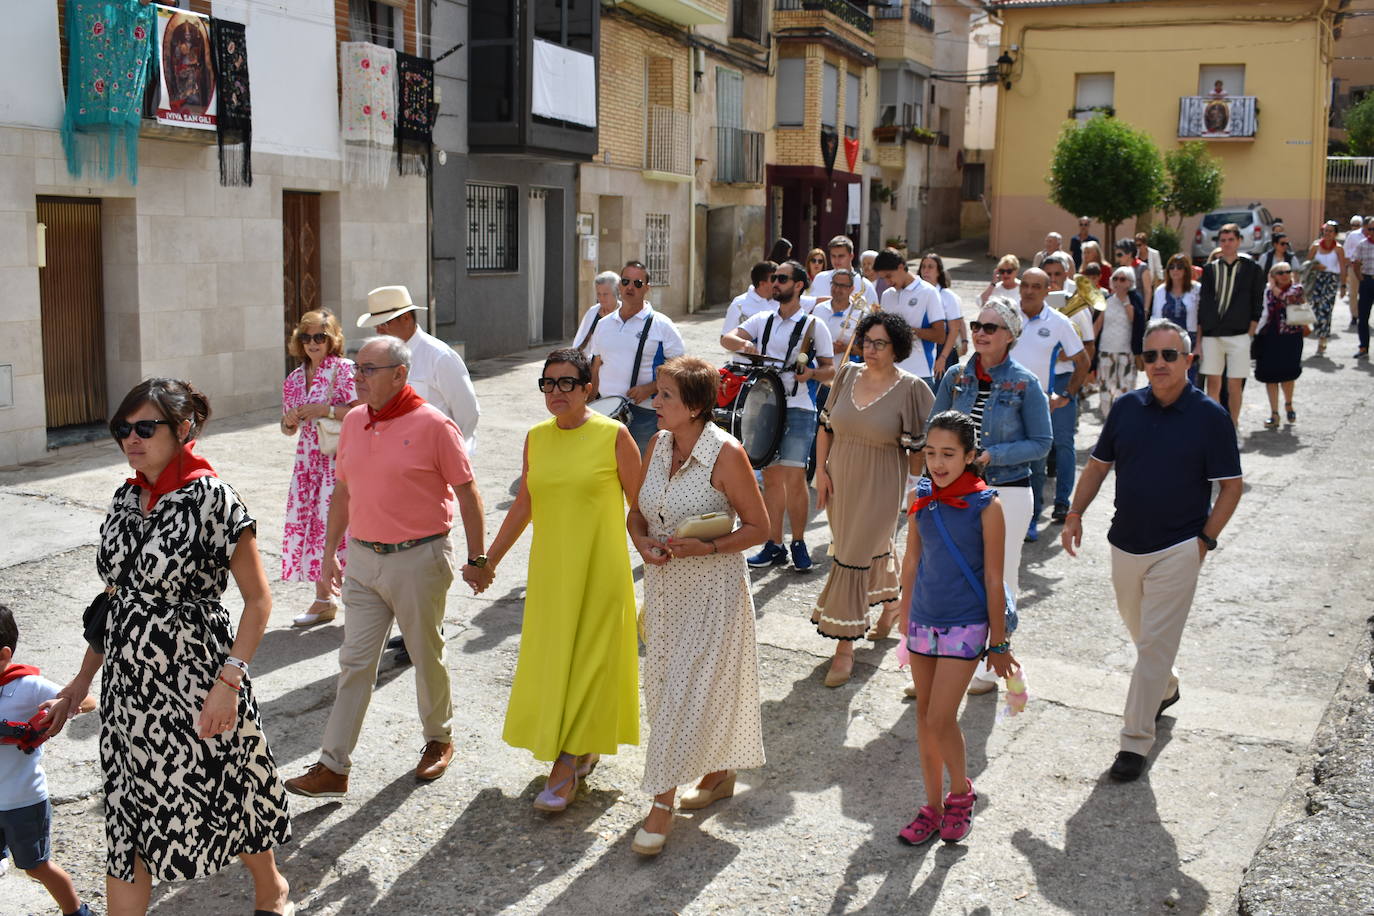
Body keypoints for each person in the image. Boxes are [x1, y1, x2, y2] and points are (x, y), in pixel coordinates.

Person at [48, 378, 292, 915]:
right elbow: (113, 603)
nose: (131, 439)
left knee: (228, 789)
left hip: (199, 679)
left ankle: (271, 887)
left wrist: (228, 685)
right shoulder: (123, 499)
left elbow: (258, 601)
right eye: (122, 429)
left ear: (183, 430)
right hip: (129, 694)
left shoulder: (214, 499)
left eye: (144, 428)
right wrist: (81, 681)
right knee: (129, 814)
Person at [284, 337, 488, 798]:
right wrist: (328, 553)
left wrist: (478, 558)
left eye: (368, 370)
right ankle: (333, 767)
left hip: (419, 558)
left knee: (424, 652)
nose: (357, 377)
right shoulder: (354, 420)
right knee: (354, 663)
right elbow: (343, 492)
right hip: (362, 560)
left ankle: (439, 738)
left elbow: (468, 494)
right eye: (357, 368)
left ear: (399, 375)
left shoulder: (435, 425)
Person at [1061, 319, 1243, 781]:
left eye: (1169, 355)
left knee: (1153, 645)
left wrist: (1204, 541)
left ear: (1188, 359)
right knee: (1145, 638)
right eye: (1151, 355)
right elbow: (1098, 467)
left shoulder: (1211, 417)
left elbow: (1231, 488)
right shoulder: (1126, 408)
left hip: (1179, 547)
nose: (1159, 364)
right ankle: (1166, 686)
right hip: (1124, 544)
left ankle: (1134, 742)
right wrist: (1075, 513)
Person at [483, 348, 641, 813]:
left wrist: (659, 556)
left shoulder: (614, 435)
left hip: (601, 570)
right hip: (551, 574)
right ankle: (581, 746)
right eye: (548, 383)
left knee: (592, 661)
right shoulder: (535, 438)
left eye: (567, 382)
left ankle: (567, 763)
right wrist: (488, 560)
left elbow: (641, 505)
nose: (556, 392)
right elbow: (524, 505)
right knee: (559, 662)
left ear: (587, 387)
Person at [627, 357, 769, 856]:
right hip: (664, 591)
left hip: (713, 591)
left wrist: (707, 547)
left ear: (694, 405)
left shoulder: (726, 453)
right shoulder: (657, 443)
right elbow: (636, 515)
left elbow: (759, 528)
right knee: (667, 689)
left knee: (683, 694)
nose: (654, 402)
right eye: (657, 393)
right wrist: (643, 543)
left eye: (665, 395)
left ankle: (660, 803)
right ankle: (718, 773)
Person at [895, 411, 1016, 845]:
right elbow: (911, 559)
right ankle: (932, 806)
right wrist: (904, 616)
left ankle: (961, 794)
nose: (938, 463)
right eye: (931, 454)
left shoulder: (988, 505)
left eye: (949, 454)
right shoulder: (922, 496)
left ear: (970, 455)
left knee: (940, 716)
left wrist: (999, 642)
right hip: (923, 623)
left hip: (966, 625)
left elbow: (993, 579)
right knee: (924, 720)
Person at [930, 302, 1051, 696]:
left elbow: (1042, 443)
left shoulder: (1025, 383)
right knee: (955, 572)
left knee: (1001, 576)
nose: (981, 333)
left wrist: (990, 456)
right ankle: (953, 654)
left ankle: (996, 656)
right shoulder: (956, 376)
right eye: (977, 325)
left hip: (1008, 490)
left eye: (992, 328)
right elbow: (935, 427)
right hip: (956, 490)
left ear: (1010, 336)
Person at [812, 312, 934, 686]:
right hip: (840, 478)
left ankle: (844, 648)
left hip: (883, 483)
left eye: (880, 344)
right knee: (865, 547)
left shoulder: (911, 388)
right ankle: (893, 606)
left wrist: (915, 486)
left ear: (896, 348)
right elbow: (826, 425)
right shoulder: (847, 374)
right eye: (867, 341)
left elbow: (920, 446)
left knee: (850, 556)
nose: (871, 349)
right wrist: (821, 471)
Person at [723, 260, 836, 572]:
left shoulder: (815, 326)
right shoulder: (762, 319)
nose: (775, 283)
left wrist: (812, 372)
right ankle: (774, 545)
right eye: (774, 278)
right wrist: (745, 343)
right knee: (771, 478)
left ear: (799, 285)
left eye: (782, 279)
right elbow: (727, 339)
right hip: (767, 406)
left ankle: (797, 542)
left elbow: (831, 370)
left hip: (799, 407)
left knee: (794, 477)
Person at [0, 605, 95, 916]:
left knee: (36, 866)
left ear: (3, 655)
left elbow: (88, 700)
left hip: (22, 801)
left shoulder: (27, 686)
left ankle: (77, 912)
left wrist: (62, 703)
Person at [280, 309, 360, 628]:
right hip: (307, 463)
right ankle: (323, 599)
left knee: (341, 527)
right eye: (306, 336)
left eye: (319, 337)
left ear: (332, 340)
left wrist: (325, 409)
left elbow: (363, 410)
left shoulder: (344, 369)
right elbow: (288, 429)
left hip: (338, 459)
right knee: (313, 526)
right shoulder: (294, 378)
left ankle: (358, 599)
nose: (312, 343)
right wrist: (289, 421)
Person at [358, 284, 481, 452]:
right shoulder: (380, 357)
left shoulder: (440, 356)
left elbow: (468, 413)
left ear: (407, 318)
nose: (379, 331)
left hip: (435, 458)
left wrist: (448, 453)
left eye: (384, 324)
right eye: (376, 326)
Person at [1015, 268, 1089, 537]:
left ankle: (1031, 519)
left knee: (1036, 467)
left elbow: (1083, 361)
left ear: (1048, 291)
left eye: (1037, 286)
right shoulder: (1007, 315)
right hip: (1003, 402)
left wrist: (1065, 395)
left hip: (1037, 406)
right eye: (1026, 285)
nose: (1030, 291)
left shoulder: (1058, 322)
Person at [589, 260, 688, 451]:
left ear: (646, 288)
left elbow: (681, 370)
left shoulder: (662, 325)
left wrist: (650, 388)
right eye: (626, 282)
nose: (630, 287)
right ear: (619, 285)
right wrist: (590, 401)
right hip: (605, 410)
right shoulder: (604, 324)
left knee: (640, 474)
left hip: (645, 413)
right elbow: (596, 365)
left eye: (637, 283)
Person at [1198, 223, 1264, 424]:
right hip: (1213, 335)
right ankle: (1214, 425)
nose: (1227, 244)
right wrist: (1200, 338)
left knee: (1235, 384)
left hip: (1239, 334)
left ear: (1239, 241)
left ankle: (1233, 424)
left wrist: (1250, 332)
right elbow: (1204, 304)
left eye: (1231, 240)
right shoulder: (1210, 269)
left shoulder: (1251, 269)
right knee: (1213, 384)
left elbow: (1257, 301)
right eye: (1223, 240)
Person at [875, 249, 947, 391]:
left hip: (920, 374)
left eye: (889, 276)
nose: (888, 282)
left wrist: (905, 331)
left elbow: (940, 336)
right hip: (889, 372)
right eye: (883, 278)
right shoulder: (886, 295)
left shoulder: (928, 292)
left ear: (901, 267)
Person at [1255, 263, 1309, 428]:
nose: (1285, 275)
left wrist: (1272, 286)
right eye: (1280, 273)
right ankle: (1274, 413)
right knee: (1270, 375)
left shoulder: (1296, 289)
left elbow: (1288, 299)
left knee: (1288, 374)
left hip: (1291, 337)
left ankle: (1288, 404)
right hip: (1269, 336)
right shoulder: (1266, 291)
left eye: (1287, 272)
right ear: (1273, 275)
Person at [1043, 252, 1096, 388]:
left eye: (1057, 274)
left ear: (1066, 275)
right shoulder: (1034, 302)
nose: (1052, 279)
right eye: (1048, 274)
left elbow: (1089, 344)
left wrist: (1070, 354)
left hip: (1064, 375)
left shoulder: (1075, 302)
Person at [1099, 267, 1144, 415]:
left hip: (1126, 352)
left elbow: (1135, 320)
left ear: (1130, 283)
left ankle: (1125, 421)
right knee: (1106, 390)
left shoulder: (1135, 300)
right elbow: (1097, 325)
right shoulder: (1106, 301)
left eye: (1122, 279)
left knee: (1126, 390)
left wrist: (1125, 302)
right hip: (1106, 350)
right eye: (1115, 279)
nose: (1118, 282)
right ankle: (1108, 422)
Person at [1152, 254, 1203, 381]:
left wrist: (1198, 345)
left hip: (1189, 340)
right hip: (1165, 342)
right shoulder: (1160, 291)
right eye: (1172, 267)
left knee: (1190, 380)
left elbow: (1201, 320)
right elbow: (1155, 319)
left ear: (1186, 270)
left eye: (1180, 267)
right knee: (1164, 378)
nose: (1175, 270)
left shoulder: (1196, 289)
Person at [921, 253, 968, 383]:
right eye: (923, 266)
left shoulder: (948, 296)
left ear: (938, 272)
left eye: (930, 267)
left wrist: (942, 358)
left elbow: (954, 331)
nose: (926, 270)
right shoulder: (918, 295)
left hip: (943, 353)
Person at [1306, 220, 1345, 355]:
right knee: (1315, 308)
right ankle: (1320, 332)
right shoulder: (1315, 246)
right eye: (1326, 230)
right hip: (1317, 279)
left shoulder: (1339, 248)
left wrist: (1344, 286)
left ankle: (1322, 340)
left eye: (1330, 231)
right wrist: (1316, 267)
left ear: (1335, 234)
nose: (1327, 233)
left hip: (1331, 280)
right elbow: (1307, 265)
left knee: (1325, 309)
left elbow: (1342, 267)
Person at [721, 262, 778, 353]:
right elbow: (725, 339)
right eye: (774, 279)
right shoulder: (739, 304)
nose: (778, 283)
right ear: (762, 283)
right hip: (745, 364)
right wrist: (743, 344)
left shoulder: (782, 301)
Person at [811, 235, 879, 305]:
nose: (836, 260)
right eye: (833, 256)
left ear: (851, 256)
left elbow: (874, 313)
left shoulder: (865, 285)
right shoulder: (820, 279)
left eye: (841, 256)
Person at [573, 270, 621, 351]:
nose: (601, 298)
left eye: (605, 294)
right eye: (599, 294)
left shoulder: (624, 313)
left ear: (616, 292)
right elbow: (582, 340)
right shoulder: (593, 312)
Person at [1348, 217, 1374, 358]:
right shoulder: (1362, 245)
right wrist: (1361, 279)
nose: (1372, 232)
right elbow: (1356, 263)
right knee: (1363, 317)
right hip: (1367, 281)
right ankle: (1363, 347)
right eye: (1370, 229)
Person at [1343, 215, 1364, 321]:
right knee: (1353, 291)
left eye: (1357, 225)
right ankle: (1354, 315)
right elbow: (1346, 251)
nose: (1355, 227)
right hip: (1353, 265)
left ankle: (1364, 313)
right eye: (1353, 225)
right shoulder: (1352, 235)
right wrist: (1347, 265)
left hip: (1367, 267)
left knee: (1365, 292)